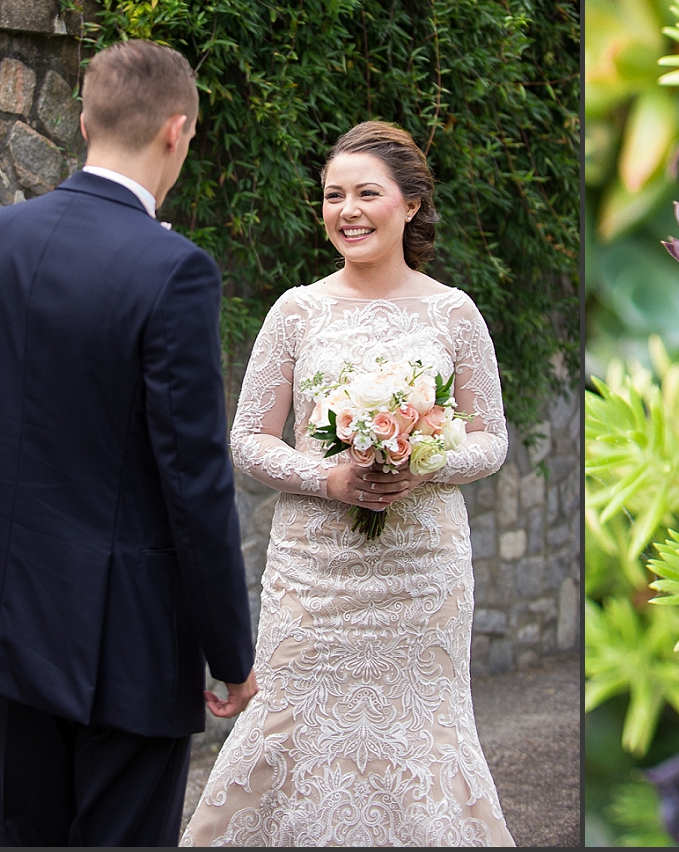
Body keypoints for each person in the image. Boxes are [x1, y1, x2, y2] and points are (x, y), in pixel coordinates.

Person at [0, 39, 259, 847]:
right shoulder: (173, 270)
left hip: (17, 613)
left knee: (30, 833)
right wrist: (231, 649)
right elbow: (195, 479)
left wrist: (19, 558)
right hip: (129, 638)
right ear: (177, 131)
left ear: (83, 120)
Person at [183, 121, 514, 847]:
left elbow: (491, 439)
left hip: (421, 574)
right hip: (316, 575)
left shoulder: (454, 312)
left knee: (420, 733)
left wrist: (421, 459)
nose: (348, 210)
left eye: (367, 193)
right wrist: (332, 479)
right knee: (292, 722)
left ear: (413, 205)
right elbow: (246, 439)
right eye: (334, 195)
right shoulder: (296, 311)